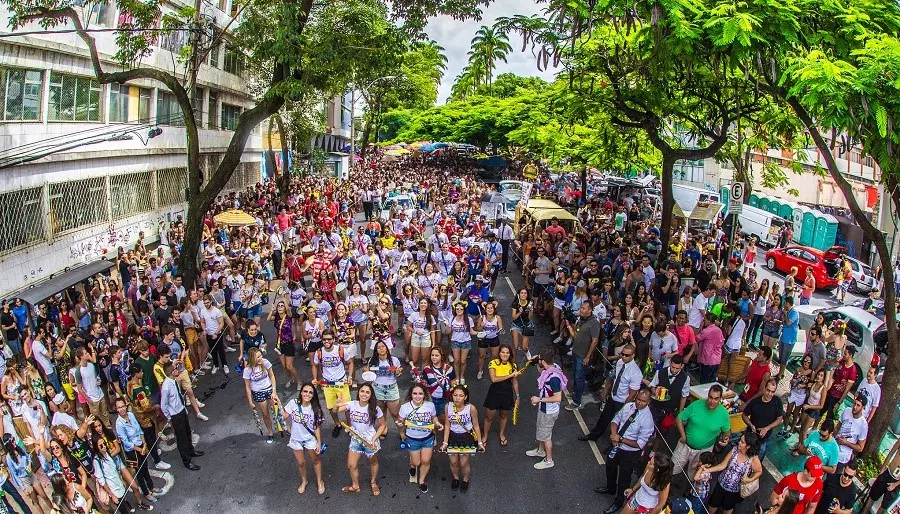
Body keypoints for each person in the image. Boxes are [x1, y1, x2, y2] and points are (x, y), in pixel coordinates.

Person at [595, 388, 655, 511]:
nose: (639, 403)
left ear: (648, 402)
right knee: (610, 466)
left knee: (624, 477)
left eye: (643, 401)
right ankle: (610, 488)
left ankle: (619, 502)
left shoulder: (647, 420)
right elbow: (615, 420)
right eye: (638, 399)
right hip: (616, 445)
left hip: (630, 452)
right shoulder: (628, 407)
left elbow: (640, 443)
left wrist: (620, 439)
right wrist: (613, 435)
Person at [580, 343, 642, 442]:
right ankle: (593, 436)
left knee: (618, 424)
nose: (623, 357)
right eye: (622, 354)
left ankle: (615, 443)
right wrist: (605, 393)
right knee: (603, 418)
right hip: (613, 397)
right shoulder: (620, 362)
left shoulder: (636, 372)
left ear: (633, 355)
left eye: (626, 355)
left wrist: (624, 407)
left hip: (622, 401)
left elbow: (633, 393)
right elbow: (612, 379)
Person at [333, 383, 386, 496]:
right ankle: (355, 486)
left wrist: (374, 439)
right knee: (351, 465)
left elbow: (382, 425)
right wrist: (337, 405)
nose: (364, 394)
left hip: (370, 441)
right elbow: (335, 411)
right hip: (355, 440)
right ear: (358, 392)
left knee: (373, 462)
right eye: (362, 391)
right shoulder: (352, 404)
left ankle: (373, 482)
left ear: (371, 395)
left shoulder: (375, 408)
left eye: (367, 392)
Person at [672, 385, 731, 482]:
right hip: (684, 445)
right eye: (710, 397)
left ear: (721, 398)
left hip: (704, 451)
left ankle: (688, 492)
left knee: (695, 476)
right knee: (672, 469)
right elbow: (679, 418)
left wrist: (725, 439)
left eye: (716, 399)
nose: (712, 401)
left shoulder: (724, 414)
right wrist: (682, 435)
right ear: (707, 395)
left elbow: (726, 432)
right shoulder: (696, 405)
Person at [397, 383, 442, 492]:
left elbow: (434, 417)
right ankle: (412, 466)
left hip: (428, 438)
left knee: (426, 461)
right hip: (412, 439)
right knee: (416, 462)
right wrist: (399, 423)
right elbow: (400, 420)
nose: (417, 396)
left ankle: (421, 481)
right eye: (415, 393)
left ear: (424, 395)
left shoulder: (430, 405)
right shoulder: (405, 407)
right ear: (411, 395)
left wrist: (437, 423)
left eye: (420, 394)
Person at [704, 432, 763, 514]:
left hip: (735, 491)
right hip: (721, 484)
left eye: (742, 442)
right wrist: (707, 470)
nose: (739, 443)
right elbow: (722, 465)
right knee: (713, 504)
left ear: (748, 446)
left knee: (728, 508)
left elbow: (759, 471)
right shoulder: (735, 450)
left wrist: (749, 479)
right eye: (740, 440)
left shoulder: (753, 458)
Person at [160, 361, 204, 470]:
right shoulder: (166, 386)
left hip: (181, 410)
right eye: (176, 368)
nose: (178, 369)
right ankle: (186, 460)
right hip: (175, 415)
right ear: (172, 371)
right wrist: (169, 418)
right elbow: (163, 405)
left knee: (188, 432)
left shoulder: (174, 381)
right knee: (181, 438)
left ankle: (191, 451)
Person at [283, 382, 325, 495]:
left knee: (315, 460)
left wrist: (319, 442)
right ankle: (304, 480)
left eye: (310, 392)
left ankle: (320, 481)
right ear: (301, 392)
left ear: (313, 395)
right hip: (296, 439)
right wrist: (275, 403)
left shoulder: (315, 409)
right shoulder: (293, 403)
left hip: (310, 439)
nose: (307, 394)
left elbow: (316, 427)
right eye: (305, 391)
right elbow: (284, 415)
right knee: (301, 463)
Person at [441, 385, 484, 491]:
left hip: (466, 437)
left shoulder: (471, 408)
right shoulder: (448, 406)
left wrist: (480, 442)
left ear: (465, 397)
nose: (457, 398)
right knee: (453, 462)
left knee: (464, 463)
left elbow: (476, 425)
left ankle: (465, 479)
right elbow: (447, 424)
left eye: (461, 396)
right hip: (453, 436)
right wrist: (445, 442)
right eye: (455, 395)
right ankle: (456, 478)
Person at [313, 331, 354, 437]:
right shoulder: (319, 352)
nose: (327, 341)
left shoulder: (340, 350)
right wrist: (315, 378)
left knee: (347, 407)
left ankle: (350, 426)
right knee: (331, 408)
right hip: (327, 384)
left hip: (341, 382)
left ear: (333, 339)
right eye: (324, 339)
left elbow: (350, 363)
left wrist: (350, 377)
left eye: (329, 339)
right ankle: (337, 424)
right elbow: (315, 365)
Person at [647, 354, 690, 447]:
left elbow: (684, 396)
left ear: (682, 366)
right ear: (670, 363)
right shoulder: (660, 372)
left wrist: (680, 413)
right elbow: (652, 385)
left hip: (670, 411)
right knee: (648, 430)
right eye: (673, 367)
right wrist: (656, 393)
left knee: (662, 434)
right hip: (656, 407)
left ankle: (653, 453)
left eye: (677, 368)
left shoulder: (686, 378)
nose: (674, 370)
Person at [565, 300, 601, 411]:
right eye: (581, 308)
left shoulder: (594, 323)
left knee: (579, 377)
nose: (581, 310)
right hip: (576, 352)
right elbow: (576, 335)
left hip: (583, 355)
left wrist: (587, 356)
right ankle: (575, 392)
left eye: (584, 308)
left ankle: (576, 402)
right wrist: (569, 327)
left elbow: (595, 341)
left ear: (590, 310)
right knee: (576, 374)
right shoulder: (581, 320)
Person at [482, 344, 519, 447]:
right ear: (499, 353)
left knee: (504, 415)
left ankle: (501, 434)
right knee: (489, 417)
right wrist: (510, 375)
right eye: (503, 352)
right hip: (494, 392)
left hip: (507, 393)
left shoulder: (513, 365)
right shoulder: (493, 363)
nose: (505, 354)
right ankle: (485, 435)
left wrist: (518, 396)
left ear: (510, 354)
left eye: (507, 352)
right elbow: (493, 379)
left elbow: (515, 382)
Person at [242, 347, 278, 443]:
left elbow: (272, 376)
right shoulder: (248, 370)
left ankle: (287, 428)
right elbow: (247, 387)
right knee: (265, 414)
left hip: (269, 389)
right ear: (252, 358)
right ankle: (270, 432)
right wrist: (250, 401)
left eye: (260, 356)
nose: (260, 358)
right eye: (257, 357)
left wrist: (274, 391)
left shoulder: (265, 362)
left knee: (278, 410)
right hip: (258, 392)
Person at [742, 379, 784, 459]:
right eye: (768, 390)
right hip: (750, 436)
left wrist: (767, 428)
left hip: (764, 439)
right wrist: (751, 425)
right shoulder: (755, 402)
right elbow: (744, 415)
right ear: (764, 389)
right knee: (744, 456)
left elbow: (779, 419)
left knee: (758, 459)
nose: (770, 394)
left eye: (772, 392)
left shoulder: (777, 402)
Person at [834, 395, 868, 472]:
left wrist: (846, 443)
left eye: (858, 405)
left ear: (863, 408)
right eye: (854, 403)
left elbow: (860, 448)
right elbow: (837, 427)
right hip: (833, 448)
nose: (855, 407)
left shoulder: (863, 425)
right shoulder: (847, 410)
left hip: (843, 457)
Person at [822, 347, 857, 420]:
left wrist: (839, 402)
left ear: (850, 355)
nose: (843, 355)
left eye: (845, 354)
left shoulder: (852, 370)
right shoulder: (842, 361)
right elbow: (832, 364)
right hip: (831, 390)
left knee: (829, 416)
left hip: (837, 396)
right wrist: (835, 360)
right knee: (822, 409)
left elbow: (847, 389)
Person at [697, 313, 725, 383]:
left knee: (704, 381)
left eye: (705, 320)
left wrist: (700, 327)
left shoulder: (706, 331)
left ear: (709, 321)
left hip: (708, 360)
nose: (704, 321)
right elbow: (722, 342)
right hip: (717, 359)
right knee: (712, 381)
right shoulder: (719, 330)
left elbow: (697, 338)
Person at [777, 296, 800, 381]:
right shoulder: (788, 311)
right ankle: (780, 371)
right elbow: (784, 322)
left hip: (790, 340)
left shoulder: (794, 312)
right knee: (780, 355)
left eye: (785, 303)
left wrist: (786, 315)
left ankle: (781, 373)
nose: (784, 305)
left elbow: (789, 323)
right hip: (783, 337)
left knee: (784, 357)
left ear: (787, 303)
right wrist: (784, 316)